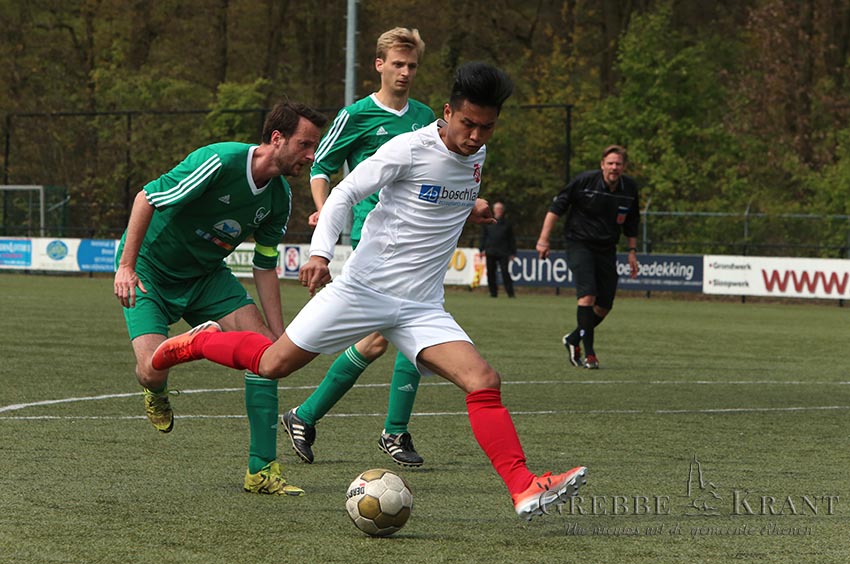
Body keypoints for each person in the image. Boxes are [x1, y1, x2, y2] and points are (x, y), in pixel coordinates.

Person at [150, 62, 587, 520]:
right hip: (363, 291)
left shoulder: (476, 156)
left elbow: (441, 194)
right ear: (447, 112)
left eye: (487, 127)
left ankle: (522, 486)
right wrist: (321, 254)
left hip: (421, 307)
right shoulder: (408, 148)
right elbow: (344, 195)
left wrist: (470, 207)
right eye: (468, 124)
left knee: (483, 380)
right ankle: (199, 342)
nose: (476, 136)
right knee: (272, 363)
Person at [113, 100, 327, 495]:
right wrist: (126, 267)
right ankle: (157, 389)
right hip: (150, 269)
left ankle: (260, 471)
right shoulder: (219, 162)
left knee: (267, 356)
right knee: (151, 370)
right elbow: (146, 198)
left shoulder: (279, 198)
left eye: (314, 146)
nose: (311, 156)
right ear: (276, 138)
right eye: (305, 144)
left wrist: (279, 335)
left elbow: (265, 265)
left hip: (206, 277)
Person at [284, 27, 437, 468]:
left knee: (379, 341)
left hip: (417, 241)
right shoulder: (355, 116)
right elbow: (321, 168)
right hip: (376, 242)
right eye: (398, 64)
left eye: (412, 66)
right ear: (379, 65)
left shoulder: (426, 116)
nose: (405, 72)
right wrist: (324, 211)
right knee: (410, 333)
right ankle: (392, 431)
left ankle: (305, 416)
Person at [535, 145, 640, 369]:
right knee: (588, 295)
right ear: (602, 165)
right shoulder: (584, 182)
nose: (614, 167)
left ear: (624, 167)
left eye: (618, 164)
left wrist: (632, 252)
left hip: (607, 248)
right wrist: (544, 239)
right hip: (579, 243)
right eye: (610, 163)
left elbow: (632, 223)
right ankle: (589, 354)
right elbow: (556, 208)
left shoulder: (629, 188)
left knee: (604, 305)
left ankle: (573, 338)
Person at [478, 201, 516, 298]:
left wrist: (513, 252)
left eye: (500, 209)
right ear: (494, 210)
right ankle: (493, 293)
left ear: (503, 211)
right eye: (497, 209)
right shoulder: (488, 222)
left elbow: (511, 239)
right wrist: (481, 249)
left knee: (505, 272)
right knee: (491, 273)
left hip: (503, 251)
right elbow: (483, 236)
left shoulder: (507, 224)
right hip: (490, 251)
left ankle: (510, 293)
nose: (498, 211)